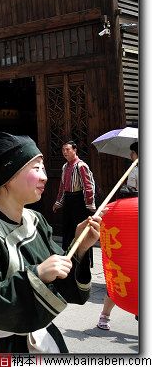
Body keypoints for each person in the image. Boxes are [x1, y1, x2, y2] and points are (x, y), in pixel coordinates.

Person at [0, 132, 101, 353]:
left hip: (44, 337)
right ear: (8, 174)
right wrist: (37, 274)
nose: (44, 177)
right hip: (4, 347)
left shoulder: (36, 220)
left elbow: (60, 280)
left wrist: (79, 247)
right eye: (36, 168)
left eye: (43, 168)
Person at [97, 141, 138, 331]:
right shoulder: (134, 170)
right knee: (124, 271)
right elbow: (130, 195)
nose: (131, 157)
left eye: (132, 154)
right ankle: (104, 315)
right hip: (131, 223)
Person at [52, 141, 96, 258]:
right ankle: (67, 254)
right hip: (68, 200)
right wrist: (58, 202)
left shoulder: (81, 166)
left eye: (67, 149)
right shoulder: (65, 166)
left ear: (75, 150)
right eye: (63, 150)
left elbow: (88, 185)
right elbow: (62, 186)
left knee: (80, 229)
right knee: (67, 228)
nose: (65, 152)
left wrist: (90, 205)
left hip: (79, 201)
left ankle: (82, 256)